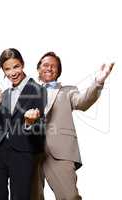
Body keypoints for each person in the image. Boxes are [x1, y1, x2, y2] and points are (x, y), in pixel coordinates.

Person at [32, 52, 114, 200]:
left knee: (69, 196)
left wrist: (98, 83)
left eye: (53, 66)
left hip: (60, 150)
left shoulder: (68, 90)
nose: (49, 68)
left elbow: (82, 101)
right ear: (38, 69)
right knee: (31, 196)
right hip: (30, 150)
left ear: (58, 71)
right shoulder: (28, 91)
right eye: (45, 65)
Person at [0, 48, 46, 200]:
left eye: (16, 66)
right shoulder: (5, 93)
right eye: (7, 69)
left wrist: (29, 124)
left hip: (22, 151)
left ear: (23, 64)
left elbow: (40, 126)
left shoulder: (39, 90)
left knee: (20, 196)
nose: (12, 73)